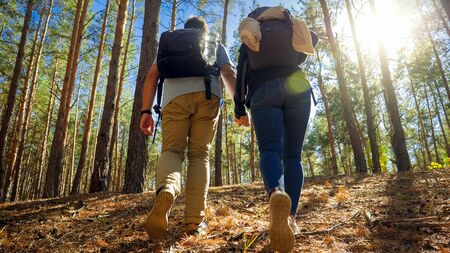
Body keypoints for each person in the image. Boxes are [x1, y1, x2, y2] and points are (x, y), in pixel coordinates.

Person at [140, 16, 236, 238]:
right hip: (208, 96)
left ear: (185, 30)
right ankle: (194, 222)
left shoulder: (170, 44)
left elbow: (153, 75)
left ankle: (168, 188)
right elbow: (228, 73)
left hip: (173, 100)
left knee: (172, 151)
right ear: (203, 30)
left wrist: (146, 111)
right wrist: (239, 105)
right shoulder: (212, 41)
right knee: (199, 155)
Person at [234, 6, 318, 252]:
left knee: (271, 150)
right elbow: (311, 43)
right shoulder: (289, 27)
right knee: (293, 156)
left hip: (263, 90)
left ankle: (276, 192)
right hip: (298, 87)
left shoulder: (252, 34)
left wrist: (239, 108)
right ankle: (290, 217)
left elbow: (241, 73)